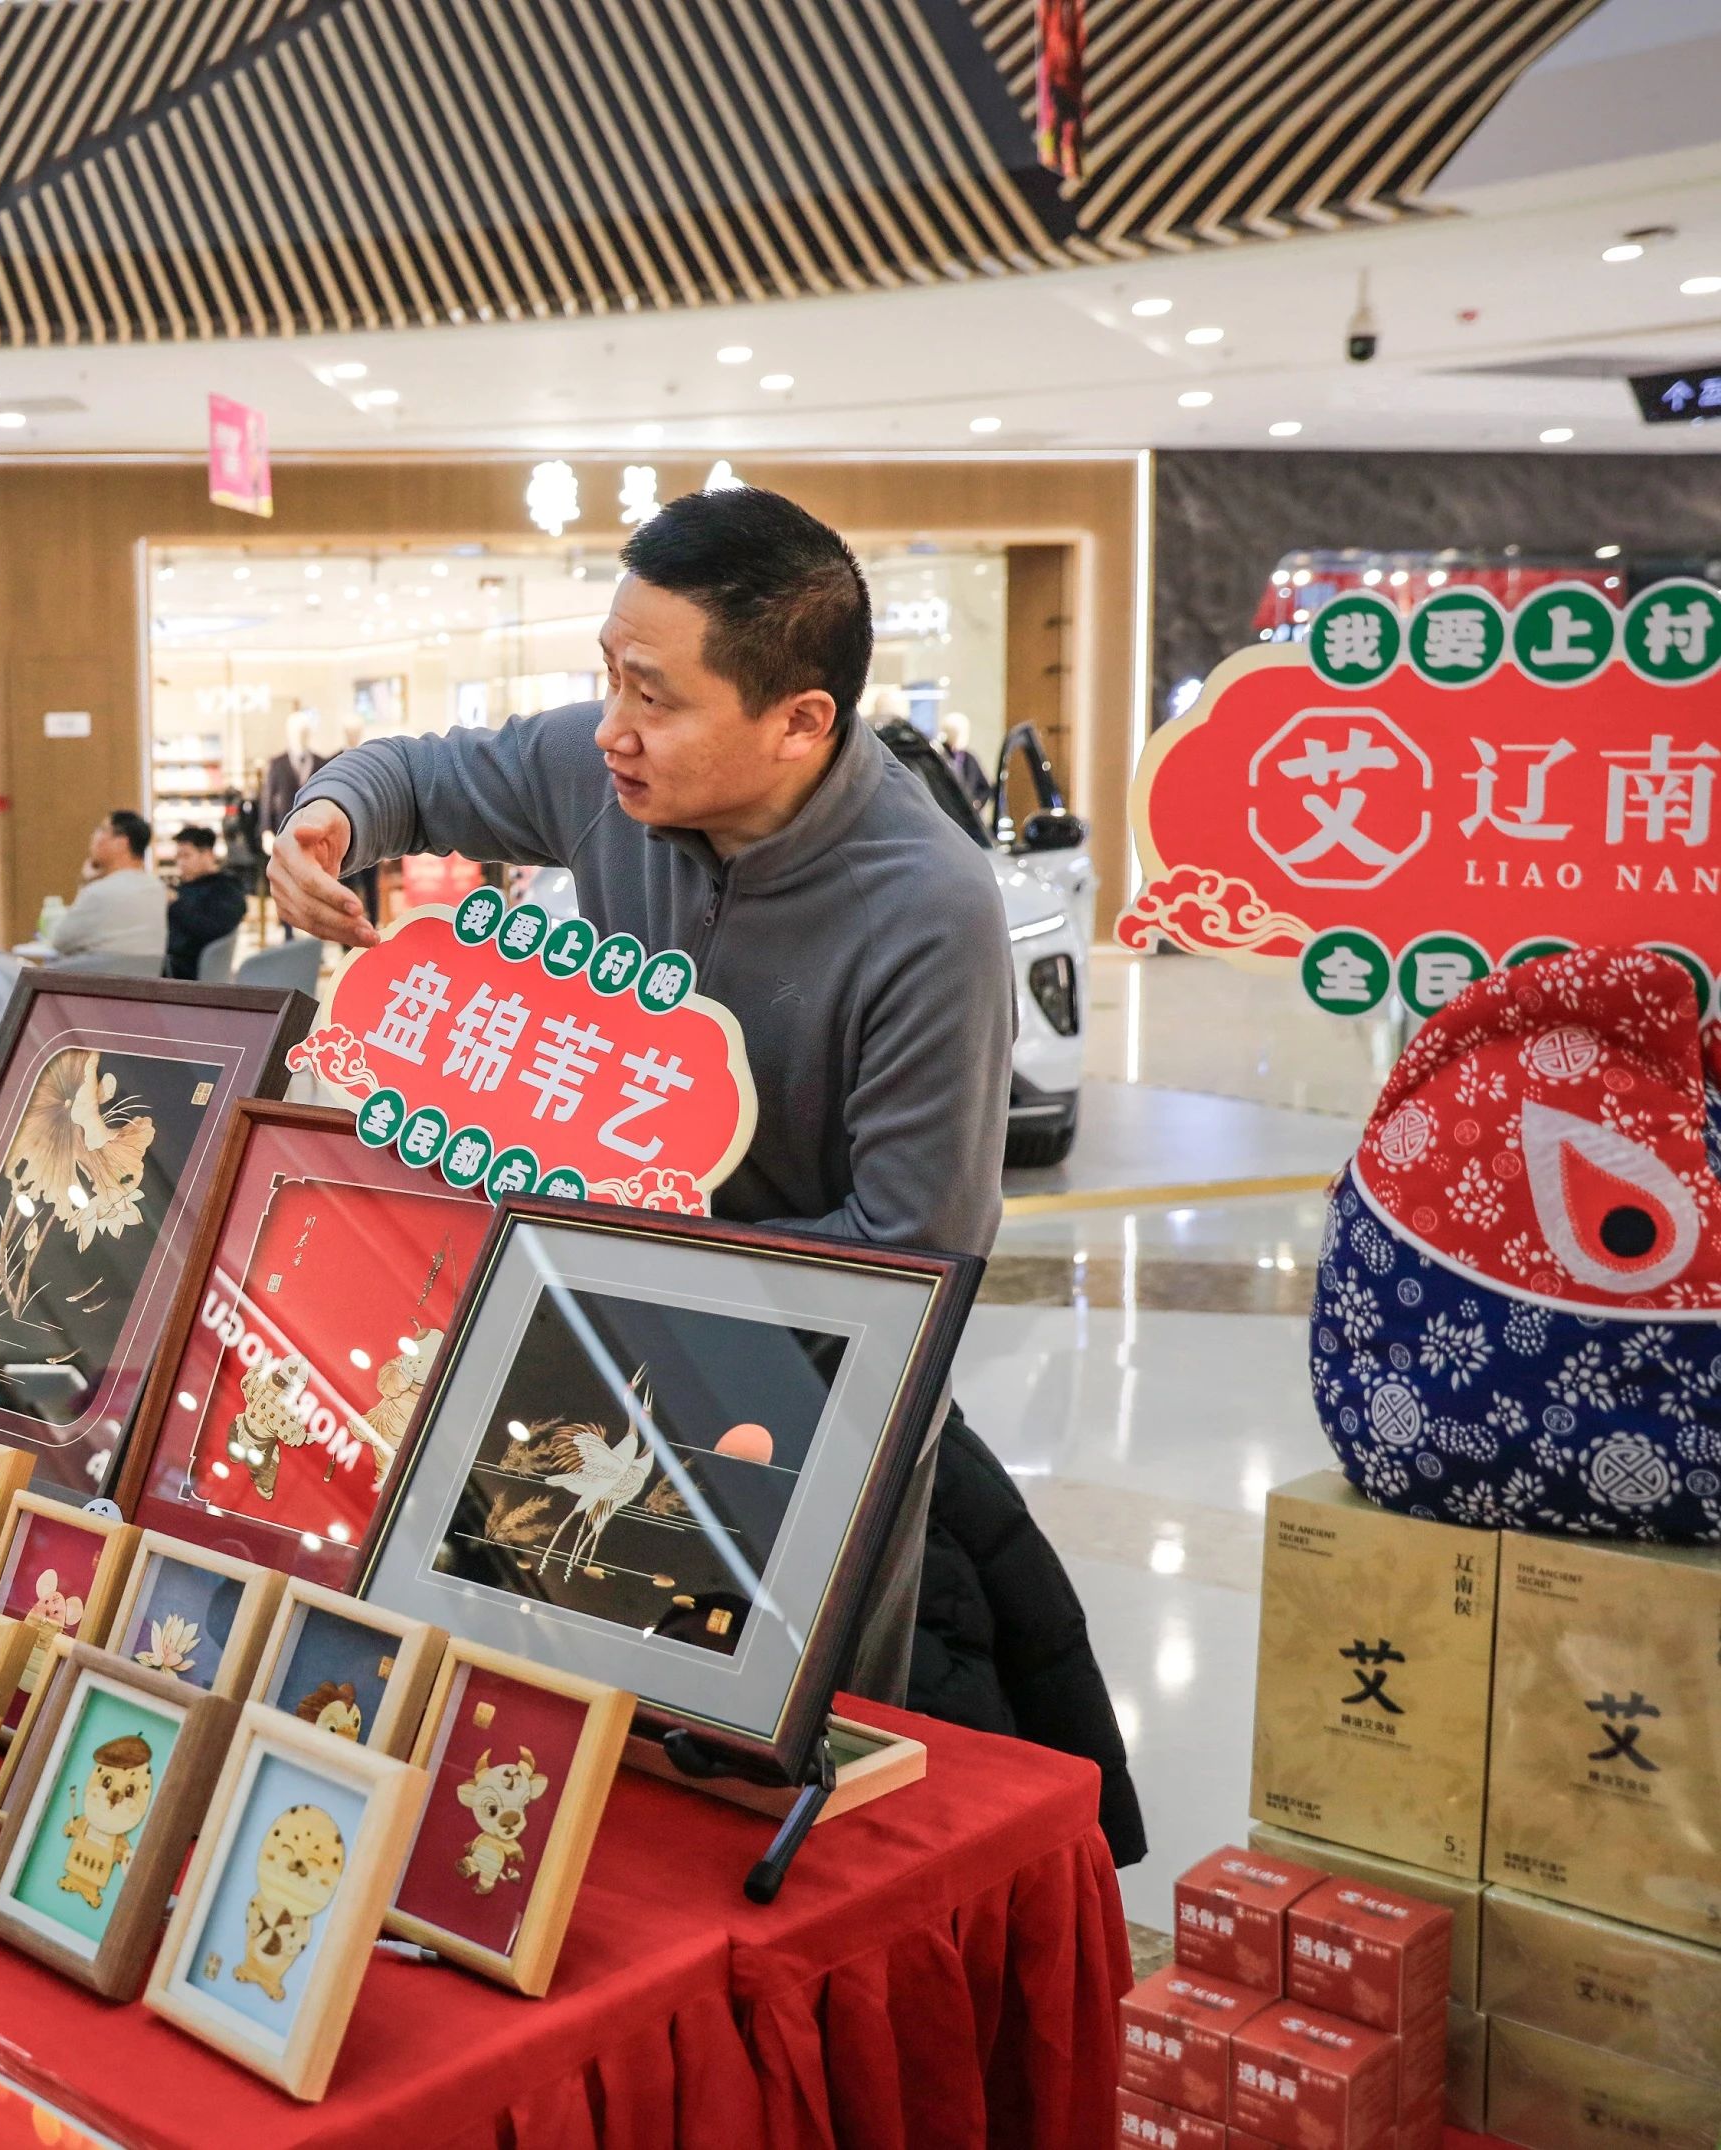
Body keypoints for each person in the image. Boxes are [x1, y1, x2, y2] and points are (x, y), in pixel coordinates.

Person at [270, 483, 1142, 1867]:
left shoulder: (925, 908)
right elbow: (419, 773)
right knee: (554, 1772)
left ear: (799, 719)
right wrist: (328, 819)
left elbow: (911, 1253)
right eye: (608, 676)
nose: (609, 726)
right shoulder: (607, 781)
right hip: (588, 1372)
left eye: (654, 695)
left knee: (759, 1803)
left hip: (800, 1416)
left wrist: (626, 1263)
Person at [33, 808, 168, 972]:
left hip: (92, 982)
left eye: (101, 830)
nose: (93, 837)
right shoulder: (157, 889)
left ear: (121, 842)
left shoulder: (101, 892)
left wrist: (86, 885)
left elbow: (60, 941)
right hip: (142, 980)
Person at [162, 823, 245, 981]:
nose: (180, 863)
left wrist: (175, 904)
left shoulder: (226, 889)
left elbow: (212, 928)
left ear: (207, 855)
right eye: (178, 857)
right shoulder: (184, 888)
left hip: (188, 971)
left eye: (186, 856)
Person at [937, 710, 993, 816]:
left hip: (968, 815)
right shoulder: (939, 755)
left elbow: (985, 788)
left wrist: (977, 803)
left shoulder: (969, 758)